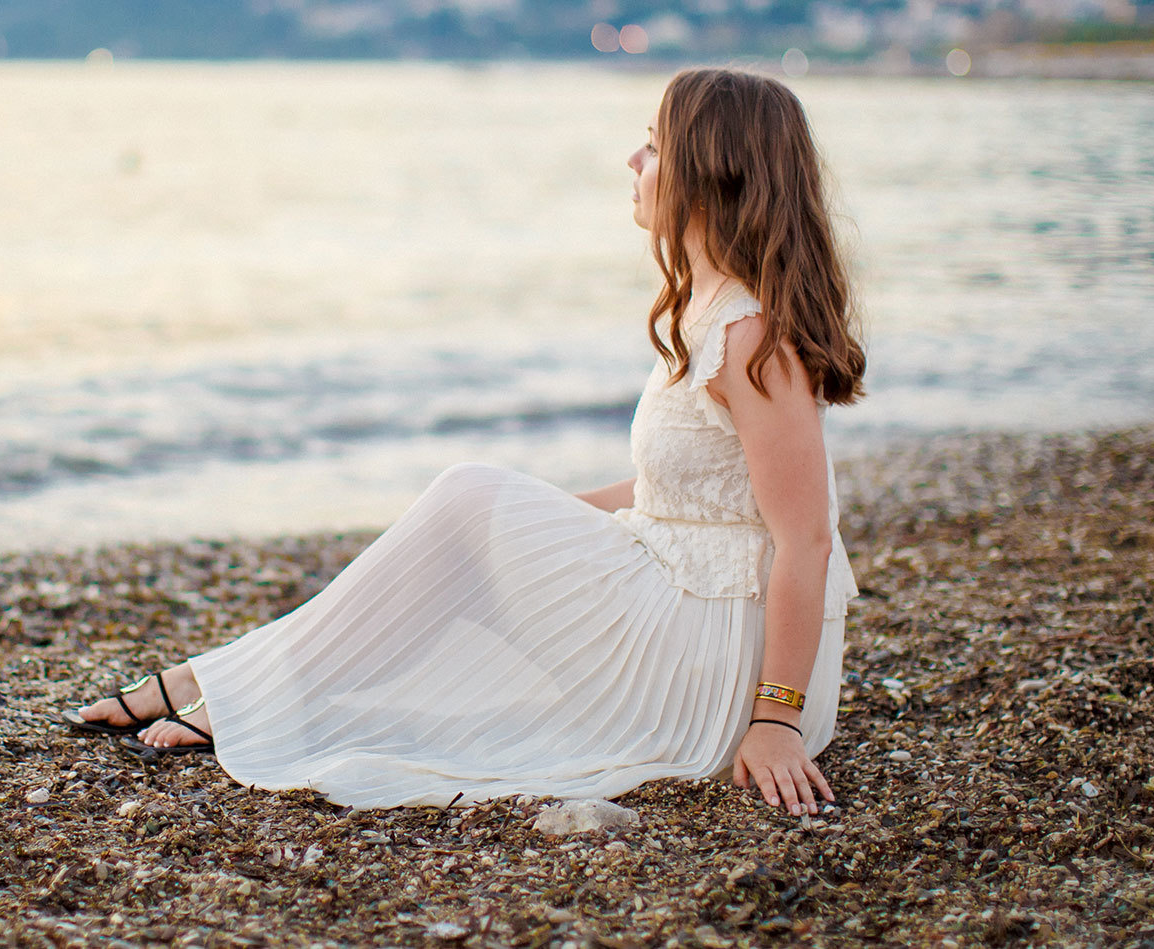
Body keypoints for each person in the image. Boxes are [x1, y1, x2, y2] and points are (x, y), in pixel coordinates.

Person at [72, 66, 864, 814]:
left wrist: (777, 722)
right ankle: (236, 686)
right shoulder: (714, 310)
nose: (632, 158)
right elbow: (690, 496)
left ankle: (228, 690)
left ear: (706, 169)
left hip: (724, 667)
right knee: (467, 510)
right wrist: (507, 525)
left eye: (653, 143)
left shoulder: (751, 332)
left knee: (466, 495)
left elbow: (806, 537)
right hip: (697, 620)